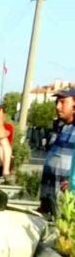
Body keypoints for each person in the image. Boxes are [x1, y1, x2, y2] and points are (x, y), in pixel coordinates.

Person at [40, 89, 75, 217]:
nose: (57, 107)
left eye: (63, 102)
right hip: (51, 200)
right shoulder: (60, 127)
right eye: (56, 102)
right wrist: (44, 202)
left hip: (69, 202)